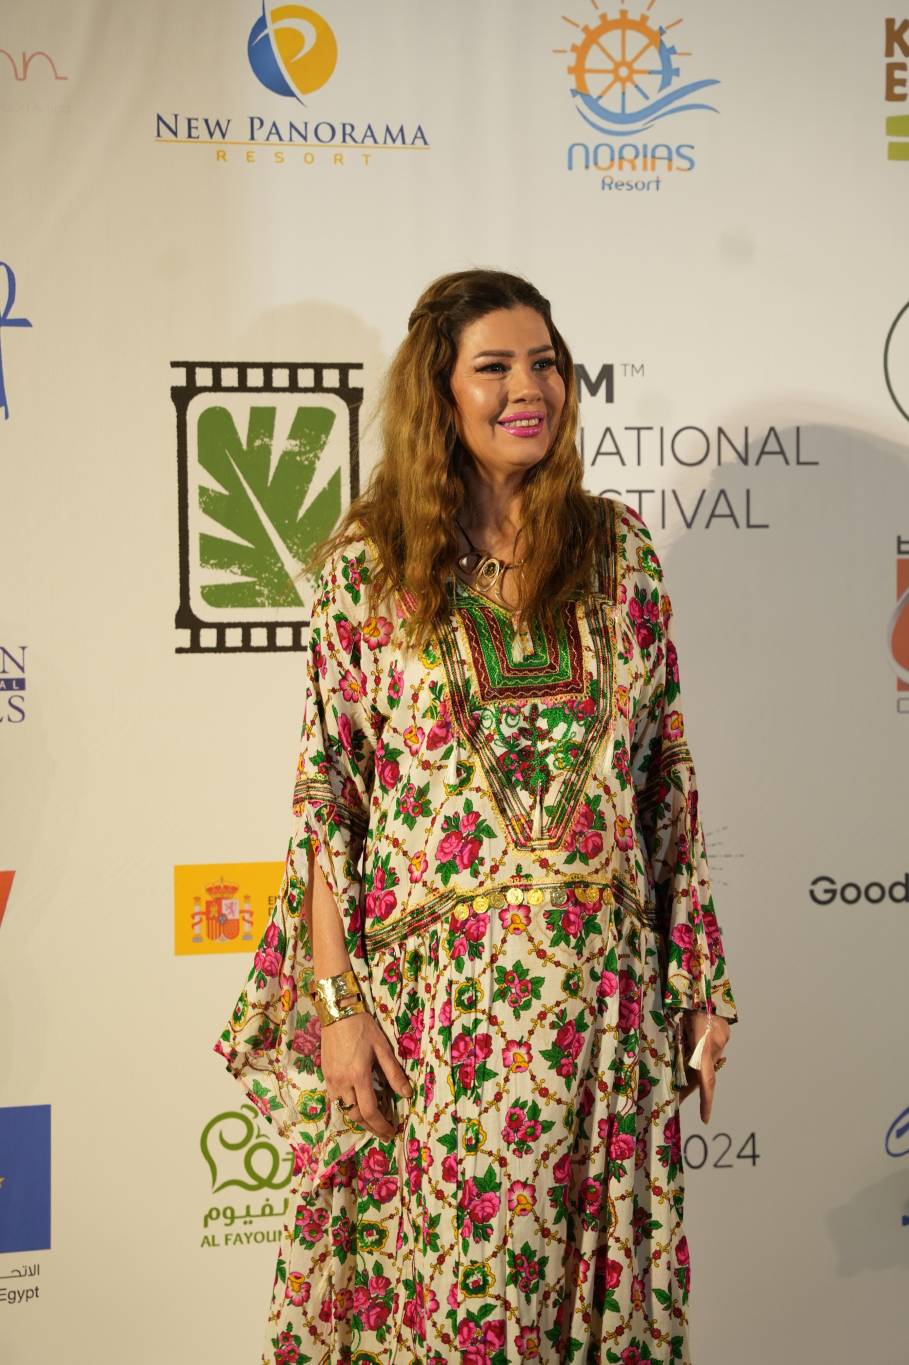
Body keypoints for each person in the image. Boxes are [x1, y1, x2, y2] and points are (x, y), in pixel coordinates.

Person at [215, 268, 737, 1365]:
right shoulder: (370, 570)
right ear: (438, 392)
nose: (527, 388)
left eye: (544, 363)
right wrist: (336, 1006)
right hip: (446, 1023)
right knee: (464, 1311)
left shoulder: (619, 555)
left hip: (603, 1011)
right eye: (493, 366)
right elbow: (328, 800)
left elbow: (664, 781)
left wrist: (696, 979)